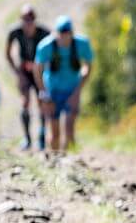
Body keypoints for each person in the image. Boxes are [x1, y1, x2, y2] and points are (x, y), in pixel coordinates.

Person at [32, 15, 93, 152]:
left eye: (67, 34)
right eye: (61, 34)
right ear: (56, 33)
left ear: (72, 33)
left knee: (70, 129)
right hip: (52, 90)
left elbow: (88, 66)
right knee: (54, 132)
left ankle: (70, 162)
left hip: (72, 89)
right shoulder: (45, 46)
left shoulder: (81, 44)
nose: (64, 37)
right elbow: (37, 70)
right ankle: (54, 161)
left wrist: (78, 91)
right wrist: (43, 92)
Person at [5, 5, 51, 150]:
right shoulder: (15, 32)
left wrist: (47, 71)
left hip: (40, 70)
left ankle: (42, 137)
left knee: (42, 101)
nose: (28, 23)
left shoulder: (44, 32)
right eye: (25, 19)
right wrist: (17, 72)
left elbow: (53, 52)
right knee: (25, 102)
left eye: (31, 19)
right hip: (24, 70)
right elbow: (7, 53)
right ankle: (27, 138)